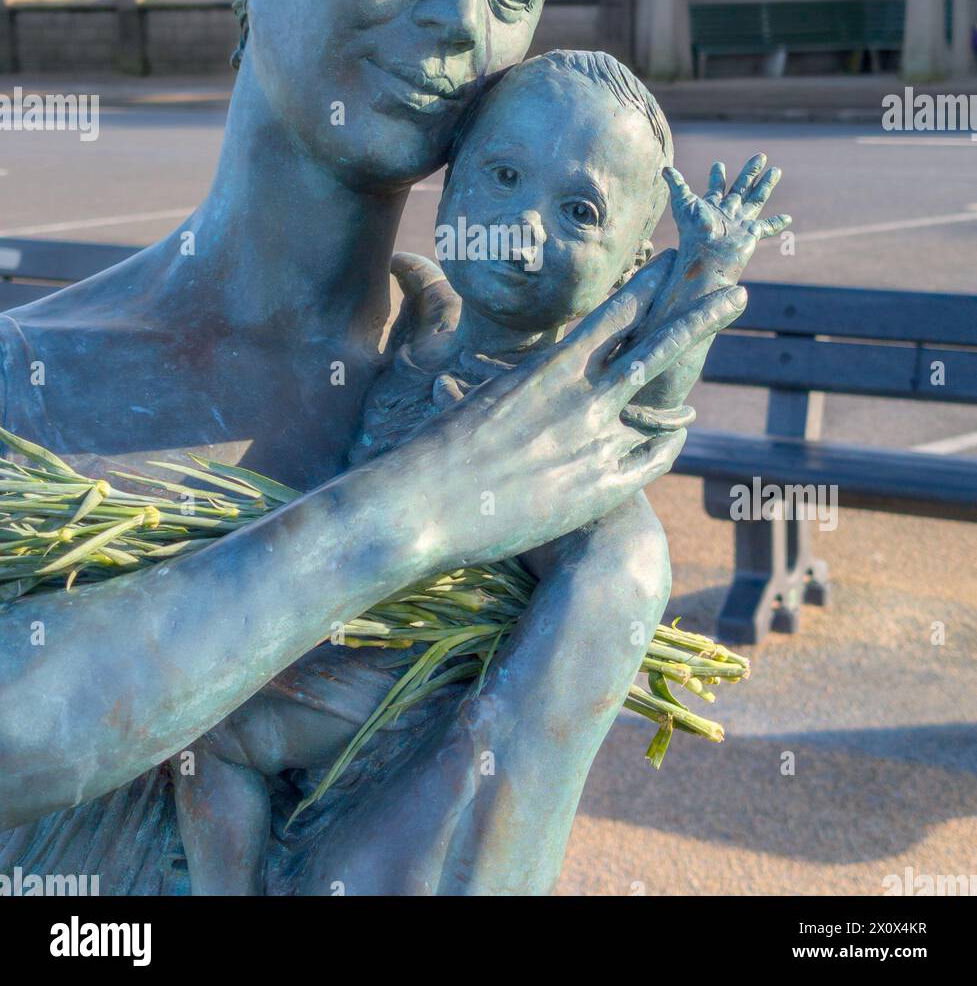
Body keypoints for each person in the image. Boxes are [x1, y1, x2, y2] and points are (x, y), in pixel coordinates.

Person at [0, 0, 746, 896]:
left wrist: (612, 583)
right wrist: (413, 511)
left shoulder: (518, 403)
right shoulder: (26, 376)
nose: (462, 14)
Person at [171, 49, 789, 895]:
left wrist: (707, 271)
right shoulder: (420, 339)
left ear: (633, 259)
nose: (522, 226)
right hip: (339, 615)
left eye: (579, 211)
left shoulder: (561, 398)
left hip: (419, 660)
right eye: (500, 175)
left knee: (209, 736)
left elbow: (647, 404)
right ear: (452, 182)